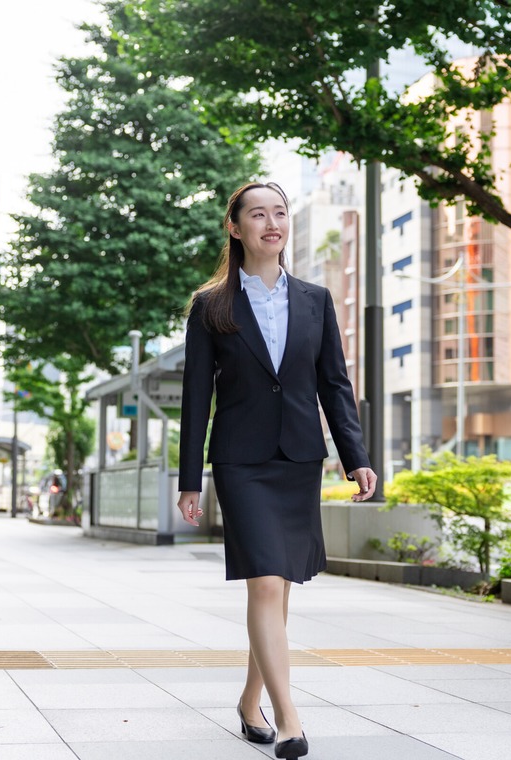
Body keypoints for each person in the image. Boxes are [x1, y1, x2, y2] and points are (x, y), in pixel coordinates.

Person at [177, 181, 377, 760]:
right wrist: (192, 478)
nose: (272, 223)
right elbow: (197, 398)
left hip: (296, 458)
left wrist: (355, 455)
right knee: (265, 580)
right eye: (257, 214)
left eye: (280, 213)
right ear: (235, 228)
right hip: (240, 460)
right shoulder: (210, 305)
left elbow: (334, 385)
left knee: (279, 589)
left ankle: (248, 701)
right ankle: (289, 720)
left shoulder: (315, 299)